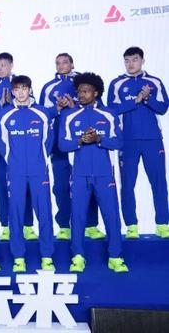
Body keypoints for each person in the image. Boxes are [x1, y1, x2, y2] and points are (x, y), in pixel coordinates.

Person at [59, 72, 129, 272]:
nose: (81, 95)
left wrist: (99, 140)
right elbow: (62, 145)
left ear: (96, 92)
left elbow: (119, 142)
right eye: (79, 91)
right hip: (79, 175)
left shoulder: (109, 114)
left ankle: (115, 257)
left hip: (104, 174)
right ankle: (78, 256)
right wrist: (80, 141)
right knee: (78, 216)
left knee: (111, 215)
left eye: (86, 91)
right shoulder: (69, 116)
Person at [108, 46, 169, 239]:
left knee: (159, 182)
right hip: (127, 141)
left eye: (134, 59)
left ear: (142, 60)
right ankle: (131, 226)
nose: (130, 64)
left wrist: (148, 98)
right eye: (127, 60)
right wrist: (135, 100)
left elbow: (163, 108)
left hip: (153, 140)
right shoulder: (117, 84)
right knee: (127, 184)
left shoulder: (154, 82)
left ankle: (163, 224)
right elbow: (111, 110)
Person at [40, 53, 102, 241]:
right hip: (60, 144)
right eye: (57, 63)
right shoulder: (49, 87)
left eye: (65, 62)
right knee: (61, 186)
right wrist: (58, 108)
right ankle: (64, 226)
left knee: (88, 183)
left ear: (72, 64)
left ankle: (91, 225)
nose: (61, 65)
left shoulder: (84, 82)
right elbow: (41, 115)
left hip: (85, 142)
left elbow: (99, 109)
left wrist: (74, 106)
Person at [0, 75, 55, 273]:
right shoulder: (5, 114)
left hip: (39, 171)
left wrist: (41, 161)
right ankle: (18, 257)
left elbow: (48, 141)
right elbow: (1, 143)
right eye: (17, 89)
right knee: (15, 213)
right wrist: (12, 161)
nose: (20, 93)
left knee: (44, 212)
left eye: (24, 88)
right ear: (12, 91)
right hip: (16, 171)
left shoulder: (42, 112)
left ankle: (47, 256)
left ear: (30, 89)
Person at [0, 52, 36, 242]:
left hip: (22, 143)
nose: (0, 68)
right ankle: (5, 226)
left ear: (11, 65)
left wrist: (12, 104)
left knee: (26, 186)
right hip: (0, 144)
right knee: (2, 185)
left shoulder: (20, 83)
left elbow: (32, 107)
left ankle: (27, 226)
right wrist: (1, 105)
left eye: (4, 65)